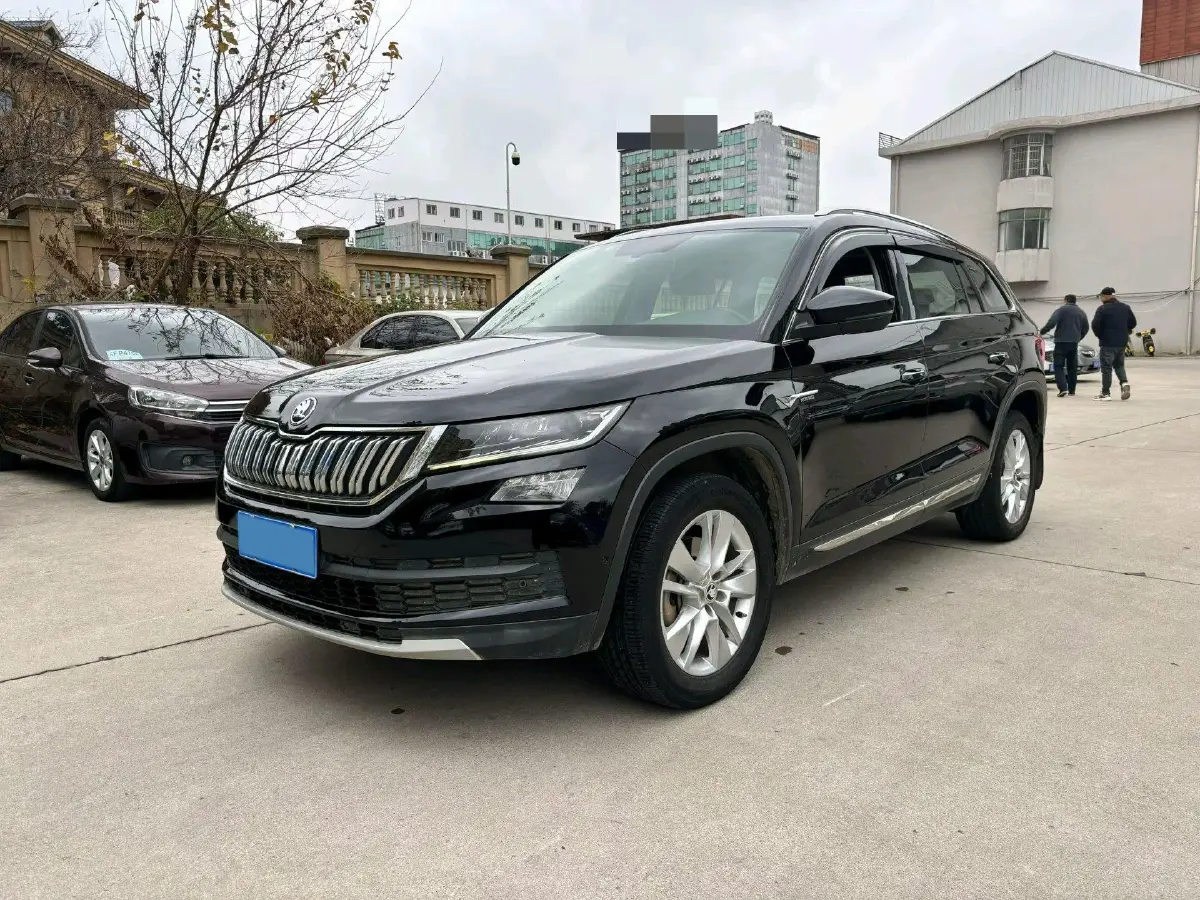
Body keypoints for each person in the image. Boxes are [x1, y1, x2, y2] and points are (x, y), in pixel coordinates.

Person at [1090, 287, 1137, 401]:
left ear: (1106, 296)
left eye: (1101, 296)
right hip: (1121, 343)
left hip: (1107, 343)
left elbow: (1095, 325)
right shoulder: (1125, 308)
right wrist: (1126, 330)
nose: (1101, 299)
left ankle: (1105, 393)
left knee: (1106, 368)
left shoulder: (1102, 309)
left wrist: (1100, 335)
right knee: (1119, 365)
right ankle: (1124, 383)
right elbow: (1133, 322)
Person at [1039, 293, 1090, 397]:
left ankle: (1063, 388)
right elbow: (1086, 328)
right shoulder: (1081, 312)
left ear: (1065, 300)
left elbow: (1051, 323)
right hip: (1073, 344)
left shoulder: (1061, 310)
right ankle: (1072, 390)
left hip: (1061, 342)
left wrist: (1041, 333)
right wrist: (1078, 338)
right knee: (1072, 367)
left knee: (1058, 366)